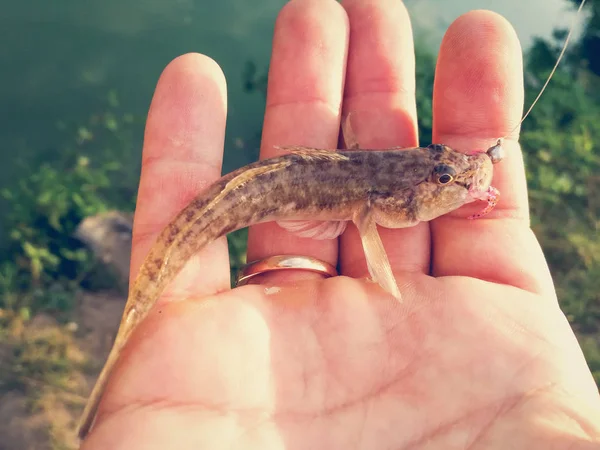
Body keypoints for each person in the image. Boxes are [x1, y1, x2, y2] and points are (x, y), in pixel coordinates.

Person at [80, 0, 600, 448]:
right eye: (442, 171)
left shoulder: (378, 183)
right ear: (389, 197)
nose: (457, 176)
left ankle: (100, 394)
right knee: (156, 282)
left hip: (285, 191)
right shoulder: (374, 200)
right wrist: (389, 286)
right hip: (255, 200)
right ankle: (112, 367)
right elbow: (373, 239)